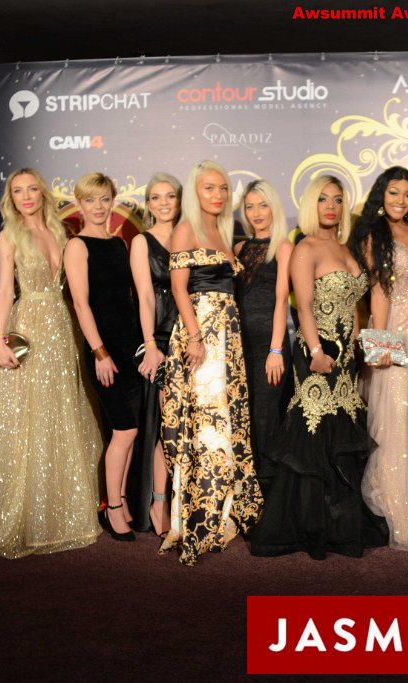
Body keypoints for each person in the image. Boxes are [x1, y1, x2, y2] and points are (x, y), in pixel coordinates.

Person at [0, 169, 102, 557]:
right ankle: (26, 514)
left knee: (60, 412)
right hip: (28, 325)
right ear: (10, 198)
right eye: (18, 191)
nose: (26, 196)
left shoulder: (62, 233)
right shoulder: (9, 235)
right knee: (26, 417)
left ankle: (59, 510)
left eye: (32, 189)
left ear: (43, 193)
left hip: (62, 327)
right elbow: (3, 291)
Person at [251, 174, 387, 559]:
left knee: (339, 434)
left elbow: (353, 306)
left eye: (338, 199)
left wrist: (359, 347)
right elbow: (304, 307)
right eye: (324, 199)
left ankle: (337, 523)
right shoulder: (305, 247)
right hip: (317, 353)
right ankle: (308, 524)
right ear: (312, 204)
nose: (331, 206)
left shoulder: (345, 249)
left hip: (345, 358)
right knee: (312, 435)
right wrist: (315, 350)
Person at [160, 161, 263, 565]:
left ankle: (225, 512)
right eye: (209, 188)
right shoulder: (185, 229)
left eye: (222, 188)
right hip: (202, 333)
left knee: (226, 418)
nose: (218, 195)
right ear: (195, 192)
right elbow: (179, 289)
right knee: (207, 422)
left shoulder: (223, 230)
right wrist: (195, 337)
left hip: (227, 336)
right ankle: (203, 515)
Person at [351, 166, 408, 550]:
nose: (400, 201)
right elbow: (378, 293)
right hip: (393, 336)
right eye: (393, 193)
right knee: (395, 424)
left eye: (407, 194)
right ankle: (396, 514)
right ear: (380, 196)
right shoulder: (376, 235)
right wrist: (381, 345)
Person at [63, 172, 142, 542]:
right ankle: (111, 508)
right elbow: (81, 304)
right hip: (103, 349)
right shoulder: (77, 246)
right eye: (90, 200)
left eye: (104, 199)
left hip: (128, 347)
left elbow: (127, 299)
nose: (98, 206)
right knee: (123, 429)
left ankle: (120, 499)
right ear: (79, 204)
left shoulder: (119, 244)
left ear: (113, 201)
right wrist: (99, 352)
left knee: (130, 429)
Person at [128, 172, 181, 536]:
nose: (163, 203)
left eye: (170, 196)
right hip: (159, 337)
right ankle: (158, 501)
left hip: (192, 337)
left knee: (186, 425)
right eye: (156, 197)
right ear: (148, 204)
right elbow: (145, 297)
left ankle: (187, 502)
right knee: (163, 424)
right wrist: (150, 344)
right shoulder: (141, 242)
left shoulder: (191, 235)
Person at [234, 179, 293, 489]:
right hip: (239, 344)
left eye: (263, 205)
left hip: (270, 346)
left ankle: (269, 493)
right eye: (250, 207)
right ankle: (248, 492)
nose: (256, 213)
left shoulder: (283, 247)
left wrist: (276, 350)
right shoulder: (239, 249)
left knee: (266, 416)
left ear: (274, 208)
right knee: (244, 416)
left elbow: (282, 300)